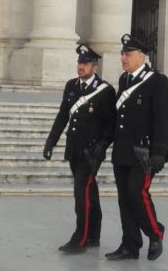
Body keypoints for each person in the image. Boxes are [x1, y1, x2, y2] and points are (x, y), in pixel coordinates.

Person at [105, 34, 168, 261]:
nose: (123, 58)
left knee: (137, 193)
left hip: (143, 153)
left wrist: (158, 152)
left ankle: (156, 233)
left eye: (127, 54)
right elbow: (118, 118)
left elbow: (163, 119)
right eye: (122, 54)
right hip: (122, 151)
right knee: (124, 198)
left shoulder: (157, 81)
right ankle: (130, 244)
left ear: (141, 56)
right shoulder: (125, 80)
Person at [42, 44, 116, 254]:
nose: (80, 66)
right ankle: (93, 234)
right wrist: (51, 141)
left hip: (91, 152)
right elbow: (63, 115)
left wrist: (101, 146)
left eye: (85, 63)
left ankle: (80, 238)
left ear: (95, 67)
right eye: (79, 63)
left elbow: (111, 123)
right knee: (89, 191)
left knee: (80, 192)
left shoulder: (105, 91)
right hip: (74, 148)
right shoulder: (71, 86)